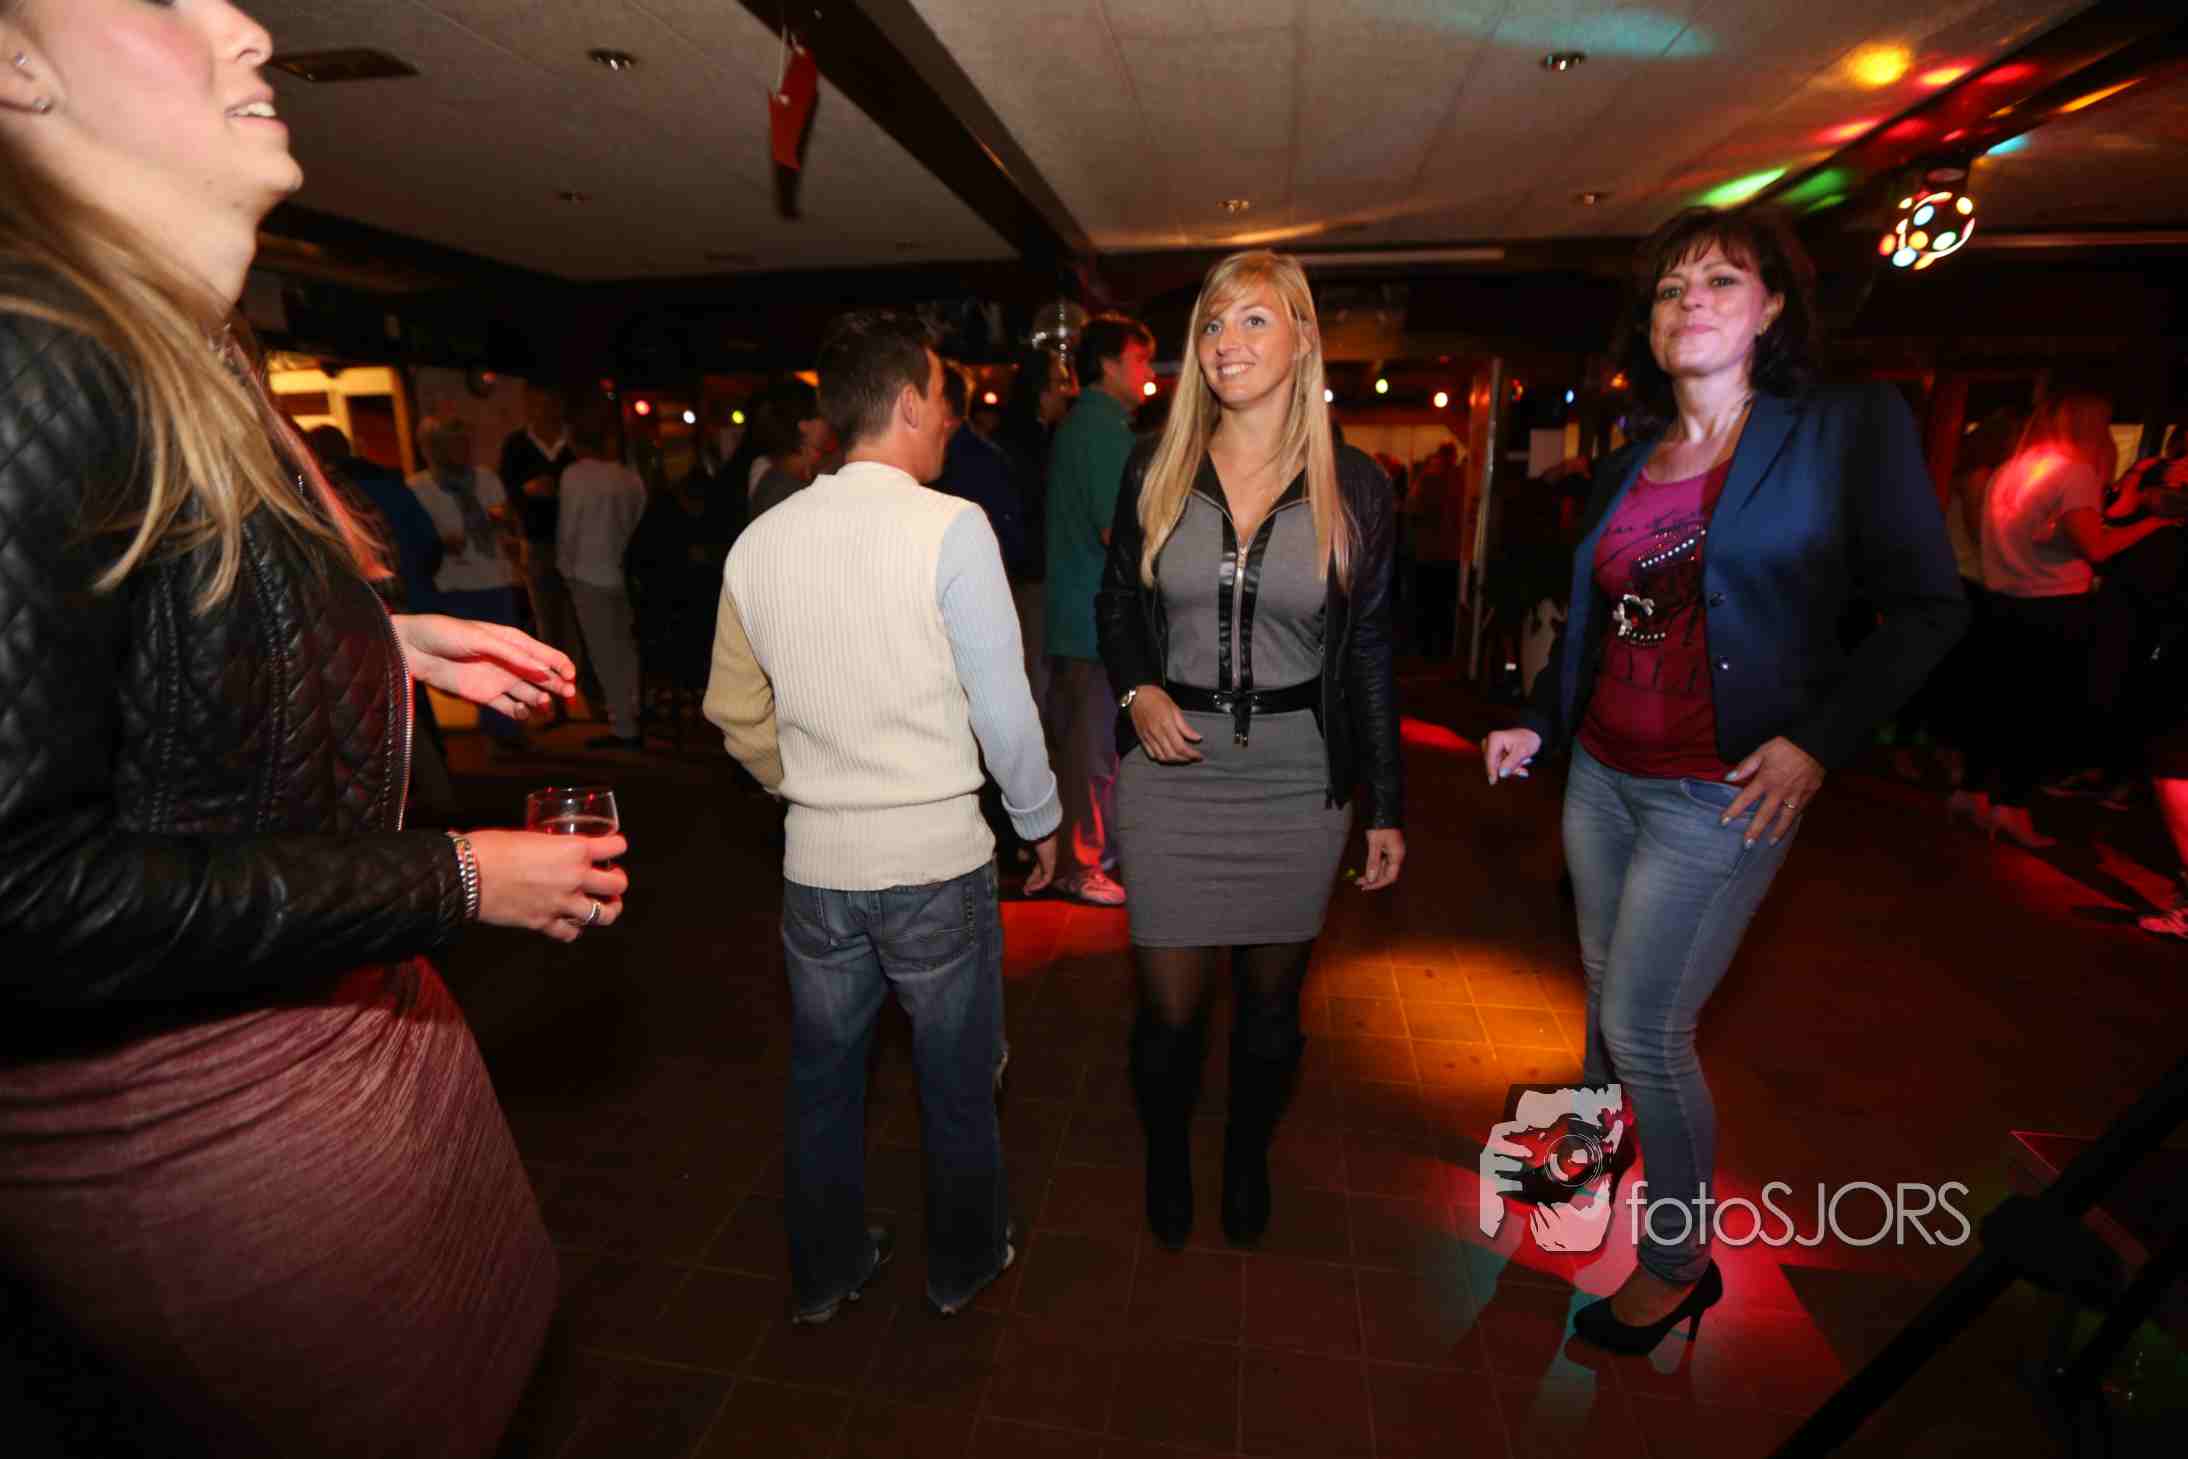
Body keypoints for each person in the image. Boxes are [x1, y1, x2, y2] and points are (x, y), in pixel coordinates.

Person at [0, 4, 629, 1455]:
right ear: (15, 70)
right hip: (200, 1130)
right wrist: (457, 875)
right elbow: (22, 891)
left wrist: (383, 635)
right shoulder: (33, 357)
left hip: (340, 1051)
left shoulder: (172, 344)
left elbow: (140, 634)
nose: (243, 23)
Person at [1482, 207, 1967, 1354]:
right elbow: (1597, 624)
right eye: (1668, 289)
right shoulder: (1627, 460)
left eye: (1719, 281)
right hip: (1603, 775)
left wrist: (1818, 741)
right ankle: (1595, 1154)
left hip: (1723, 789)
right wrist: (1538, 721)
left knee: (1646, 1024)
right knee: (1603, 993)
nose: (1688, 301)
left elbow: (1929, 608)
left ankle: (1676, 1264)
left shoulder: (1839, 429)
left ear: (1771, 309)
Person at [704, 308, 1060, 1322]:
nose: (951, 418)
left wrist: (809, 784)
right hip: (936, 864)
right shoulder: (952, 527)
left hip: (817, 868)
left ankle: (825, 1272)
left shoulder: (759, 542)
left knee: (824, 1084)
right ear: (906, 403)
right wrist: (1037, 817)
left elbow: (732, 709)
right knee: (956, 1082)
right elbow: (1002, 706)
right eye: (944, 399)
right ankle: (962, 1264)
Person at [1095, 250, 1405, 1251]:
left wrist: (1386, 801)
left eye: (1253, 321)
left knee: (1271, 1012)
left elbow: (1369, 649)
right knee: (1170, 1018)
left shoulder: (1357, 486)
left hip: (1297, 781)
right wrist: (1137, 686)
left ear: (1303, 338)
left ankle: (1245, 1156)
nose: (1226, 343)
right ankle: (1166, 1153)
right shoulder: (1156, 465)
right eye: (1212, 325)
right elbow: (1116, 602)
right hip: (1171, 775)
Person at [1966, 387, 2172, 846]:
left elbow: (2037, 537)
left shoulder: (2011, 468)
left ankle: (1972, 792)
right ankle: (2012, 807)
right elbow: (2096, 547)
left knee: (1996, 705)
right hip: (2054, 604)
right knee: (2037, 713)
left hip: (2001, 600)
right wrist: (2154, 523)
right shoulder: (2074, 471)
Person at [1045, 312, 1156, 906]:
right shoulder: (1101, 429)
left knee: (1092, 746)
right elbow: (1121, 531)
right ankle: (1079, 864)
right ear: (1110, 364)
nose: (1145, 372)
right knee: (1090, 751)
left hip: (1079, 615)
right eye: (1139, 359)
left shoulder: (1088, 425)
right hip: (1093, 619)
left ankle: (1091, 855)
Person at [409, 414, 532, 754]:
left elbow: (507, 520)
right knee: (476, 663)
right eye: (454, 443)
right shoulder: (418, 488)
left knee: (509, 658)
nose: (464, 450)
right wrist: (439, 542)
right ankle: (498, 729)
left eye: (466, 442)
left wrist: (505, 523)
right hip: (454, 585)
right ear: (433, 448)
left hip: (495, 578)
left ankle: (508, 726)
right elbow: (416, 539)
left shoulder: (486, 478)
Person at [558, 405, 649, 751]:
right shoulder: (629, 477)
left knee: (604, 653)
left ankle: (623, 725)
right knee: (626, 649)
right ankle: (633, 713)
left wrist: (564, 568)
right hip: (622, 573)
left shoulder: (575, 476)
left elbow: (568, 529)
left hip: (587, 573)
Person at [995, 346, 1076, 708]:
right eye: (1060, 382)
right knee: (1033, 674)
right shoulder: (1026, 444)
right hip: (1029, 577)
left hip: (1031, 573)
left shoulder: (1040, 437)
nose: (1067, 391)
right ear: (1041, 391)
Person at [500, 380, 581, 708]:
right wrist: (526, 492)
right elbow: (505, 494)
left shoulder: (573, 443)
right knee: (548, 620)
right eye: (539, 403)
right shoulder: (516, 445)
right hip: (538, 542)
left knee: (579, 621)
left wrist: (561, 489)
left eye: (552, 403)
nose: (546, 410)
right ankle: (556, 700)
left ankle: (588, 693)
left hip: (578, 542)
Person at [744, 377, 827, 521]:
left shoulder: (781, 477)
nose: (828, 421)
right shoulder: (783, 488)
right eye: (822, 416)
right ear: (804, 425)